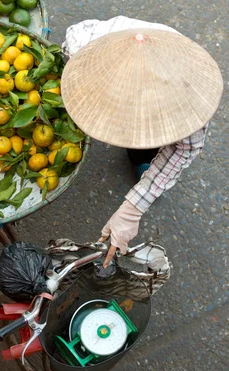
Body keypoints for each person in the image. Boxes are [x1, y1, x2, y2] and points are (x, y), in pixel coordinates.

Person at [61, 16, 223, 267]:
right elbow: (73, 34)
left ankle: (144, 158)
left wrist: (132, 209)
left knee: (151, 148)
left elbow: (185, 149)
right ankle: (138, 155)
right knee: (136, 148)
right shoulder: (86, 42)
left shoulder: (189, 95)